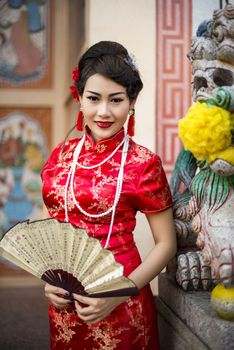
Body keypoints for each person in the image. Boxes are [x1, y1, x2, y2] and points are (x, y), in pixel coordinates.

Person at [41, 41, 177, 350]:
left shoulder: (143, 164)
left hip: (121, 301)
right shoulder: (60, 157)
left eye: (115, 100)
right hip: (65, 303)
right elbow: (53, 228)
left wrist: (118, 292)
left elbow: (167, 244)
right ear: (80, 100)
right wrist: (48, 280)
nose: (103, 112)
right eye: (93, 99)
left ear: (131, 102)